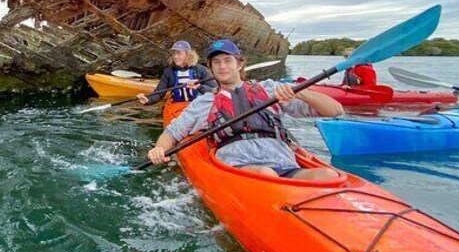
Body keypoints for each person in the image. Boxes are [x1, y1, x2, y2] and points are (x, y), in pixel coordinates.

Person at [147, 38, 343, 180]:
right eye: (216, 62)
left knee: (328, 175)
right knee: (267, 174)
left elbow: (335, 111)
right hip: (240, 167)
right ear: (211, 67)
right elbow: (173, 132)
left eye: (227, 60)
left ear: (240, 64)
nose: (222, 66)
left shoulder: (269, 90)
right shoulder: (205, 102)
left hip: (284, 163)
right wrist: (159, 149)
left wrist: (300, 93)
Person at [136, 41, 216, 105]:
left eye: (179, 53)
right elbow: (159, 93)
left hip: (197, 107)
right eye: (174, 53)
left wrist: (199, 87)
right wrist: (148, 100)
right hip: (176, 107)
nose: (175, 57)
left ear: (188, 55)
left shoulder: (201, 70)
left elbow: (215, 91)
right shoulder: (169, 72)